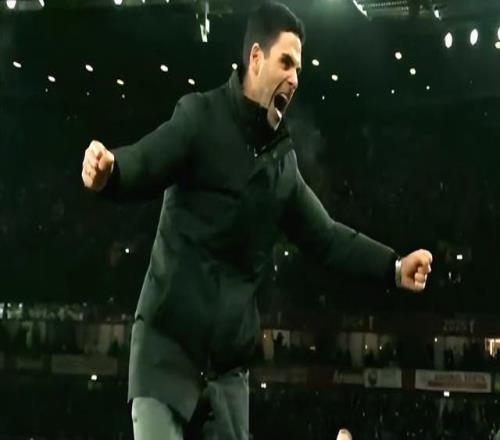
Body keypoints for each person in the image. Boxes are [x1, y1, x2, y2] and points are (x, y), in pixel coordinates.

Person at [81, 2, 433, 439]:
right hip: (166, 353)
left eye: (299, 68)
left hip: (228, 374)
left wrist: (393, 266)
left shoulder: (281, 167)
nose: (295, 77)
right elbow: (147, 161)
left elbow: (326, 237)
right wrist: (111, 170)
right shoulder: (199, 117)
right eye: (286, 62)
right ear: (255, 58)